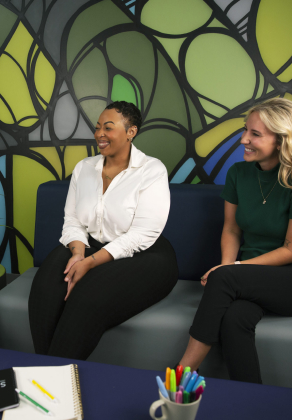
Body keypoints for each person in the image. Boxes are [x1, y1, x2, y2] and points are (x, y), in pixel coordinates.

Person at [178, 98, 292, 383]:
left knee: (224, 279)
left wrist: (231, 270)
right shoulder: (239, 173)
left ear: (282, 140)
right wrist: (229, 266)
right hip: (248, 275)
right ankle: (249, 396)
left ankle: (181, 375)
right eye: (245, 130)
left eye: (255, 134)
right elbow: (232, 229)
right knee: (235, 318)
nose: (243, 139)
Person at [28, 101, 179, 360]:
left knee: (86, 299)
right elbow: (73, 220)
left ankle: (57, 380)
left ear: (131, 132)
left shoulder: (151, 170)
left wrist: (91, 262)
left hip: (144, 255)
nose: (99, 134)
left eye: (108, 128)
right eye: (98, 127)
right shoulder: (84, 169)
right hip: (89, 244)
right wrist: (78, 254)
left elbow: (142, 234)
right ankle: (49, 375)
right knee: (44, 291)